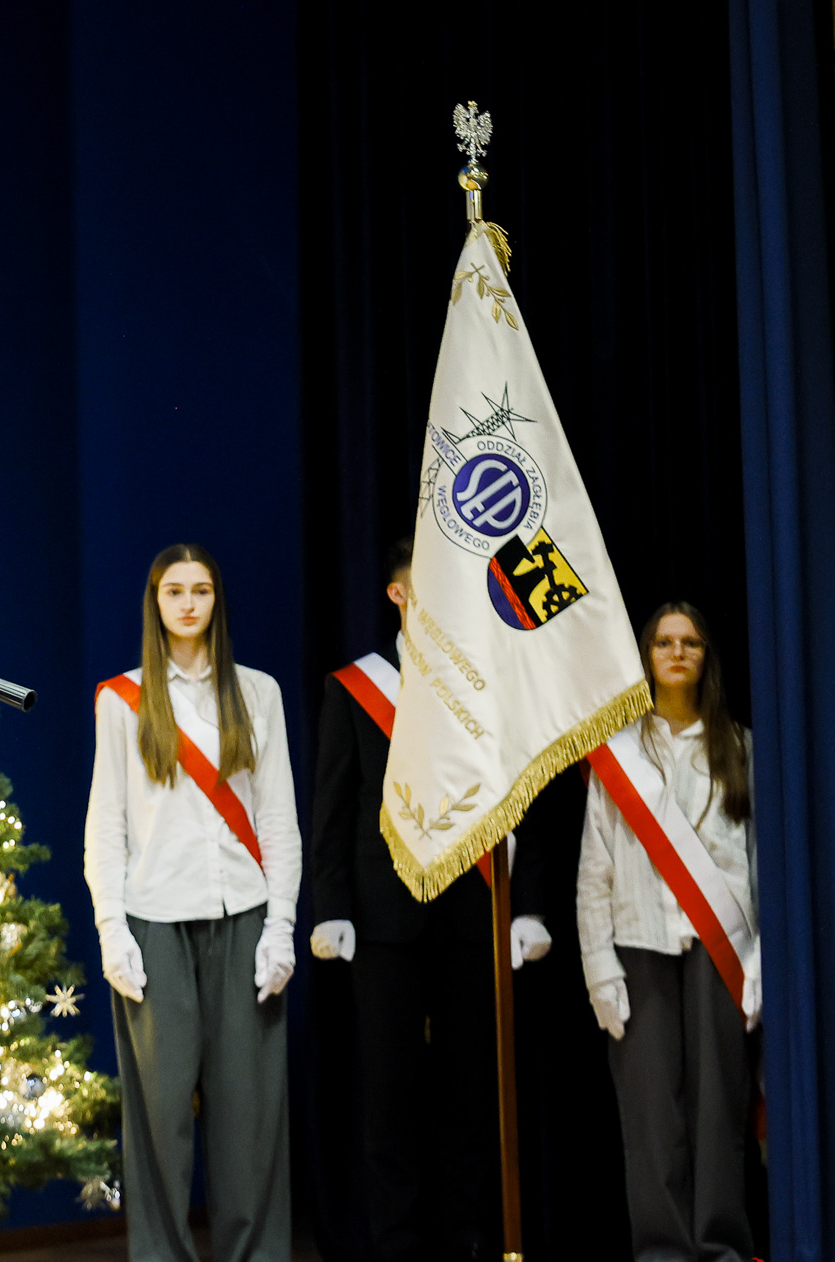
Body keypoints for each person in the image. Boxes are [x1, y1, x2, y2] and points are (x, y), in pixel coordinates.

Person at [308, 536, 554, 1262]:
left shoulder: (490, 684)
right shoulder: (356, 688)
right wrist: (331, 905)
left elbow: (526, 798)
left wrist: (528, 904)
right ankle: (397, 1245)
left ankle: (468, 1239)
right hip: (383, 921)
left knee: (469, 1093)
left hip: (473, 913)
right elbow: (335, 807)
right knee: (389, 1095)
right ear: (398, 593)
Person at [84, 543, 301, 1262]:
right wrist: (112, 930)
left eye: (200, 590)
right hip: (155, 923)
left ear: (216, 600)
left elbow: (278, 819)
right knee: (159, 1117)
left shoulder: (258, 693)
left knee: (250, 1115)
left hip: (244, 918)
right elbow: (106, 825)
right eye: (173, 590)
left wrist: (281, 925)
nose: (187, 603)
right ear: (155, 602)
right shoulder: (122, 700)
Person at [577, 601, 759, 1262]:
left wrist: (758, 960)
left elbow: (757, 861)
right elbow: (594, 868)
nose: (677, 652)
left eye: (691, 643)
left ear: (707, 657)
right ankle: (662, 1251)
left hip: (721, 951)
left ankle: (720, 1247)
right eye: (664, 642)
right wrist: (599, 966)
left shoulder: (739, 745)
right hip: (639, 947)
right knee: (653, 1116)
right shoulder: (619, 752)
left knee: (719, 1113)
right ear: (647, 656)